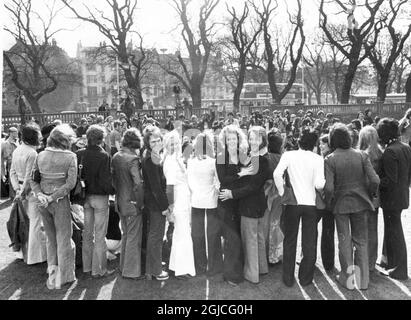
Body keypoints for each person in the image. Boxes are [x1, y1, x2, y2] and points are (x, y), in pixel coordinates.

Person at [324, 123, 380, 290]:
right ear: (349, 138)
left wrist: (329, 202)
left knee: (344, 241)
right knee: (361, 241)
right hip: (361, 203)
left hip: (340, 205)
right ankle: (363, 282)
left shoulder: (330, 159)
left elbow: (329, 187)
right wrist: (370, 194)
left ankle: (348, 280)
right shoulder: (362, 155)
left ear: (332, 139)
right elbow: (375, 180)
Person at [274, 128, 325, 287]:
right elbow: (319, 184)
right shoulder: (318, 158)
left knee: (290, 240)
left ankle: (288, 278)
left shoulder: (289, 155)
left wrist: (283, 191)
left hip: (292, 203)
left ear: (299, 140)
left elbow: (277, 174)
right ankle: (305, 278)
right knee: (309, 242)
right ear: (314, 143)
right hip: (310, 204)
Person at [219, 126, 270, 284]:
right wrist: (240, 174)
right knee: (255, 238)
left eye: (257, 138)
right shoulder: (247, 156)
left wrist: (232, 193)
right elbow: (226, 179)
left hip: (249, 203)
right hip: (245, 203)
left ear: (263, 140)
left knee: (252, 239)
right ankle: (260, 270)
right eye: (252, 138)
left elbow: (252, 186)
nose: (254, 141)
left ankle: (252, 274)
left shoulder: (257, 159)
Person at [30, 124, 78, 290]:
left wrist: (41, 195)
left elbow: (32, 180)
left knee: (51, 239)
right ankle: (65, 277)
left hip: (43, 202)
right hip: (59, 201)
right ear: (66, 140)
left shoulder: (40, 154)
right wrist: (51, 197)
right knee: (64, 238)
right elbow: (70, 184)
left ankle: (52, 273)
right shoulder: (71, 156)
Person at [76, 125, 115, 278]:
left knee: (87, 233)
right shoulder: (104, 155)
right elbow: (106, 180)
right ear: (101, 139)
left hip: (84, 196)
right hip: (100, 197)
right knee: (99, 234)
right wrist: (113, 190)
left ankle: (87, 267)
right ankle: (99, 270)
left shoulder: (79, 154)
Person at [376, 118, 411, 280]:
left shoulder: (390, 151)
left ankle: (401, 269)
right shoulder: (405, 147)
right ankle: (390, 263)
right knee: (393, 231)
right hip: (402, 196)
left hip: (391, 199)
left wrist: (375, 180)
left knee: (395, 232)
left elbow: (390, 180)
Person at [10, 124, 47, 265]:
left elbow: (12, 172)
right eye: (38, 134)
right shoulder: (32, 153)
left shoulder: (18, 149)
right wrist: (23, 191)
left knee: (22, 222)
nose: (40, 137)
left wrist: (17, 189)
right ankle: (34, 257)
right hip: (29, 191)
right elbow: (29, 176)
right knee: (34, 223)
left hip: (19, 188)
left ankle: (22, 253)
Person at [215, 125, 248, 285]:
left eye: (234, 138)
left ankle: (238, 270)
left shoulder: (244, 155)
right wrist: (240, 174)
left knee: (238, 236)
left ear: (238, 138)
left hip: (239, 201)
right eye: (228, 139)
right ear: (224, 140)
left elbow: (248, 178)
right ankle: (230, 275)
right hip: (225, 202)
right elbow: (223, 180)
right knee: (231, 239)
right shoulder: (221, 156)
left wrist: (239, 176)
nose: (231, 141)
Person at [112, 128, 145, 279]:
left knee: (126, 235)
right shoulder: (133, 159)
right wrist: (140, 203)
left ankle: (124, 268)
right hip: (132, 203)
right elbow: (138, 184)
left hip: (119, 202)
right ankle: (131, 272)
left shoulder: (116, 156)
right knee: (133, 237)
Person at [163, 130, 195, 279]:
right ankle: (181, 269)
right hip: (178, 201)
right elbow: (169, 188)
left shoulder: (177, 158)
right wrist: (171, 206)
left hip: (184, 198)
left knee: (181, 234)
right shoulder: (170, 161)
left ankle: (176, 266)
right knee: (182, 234)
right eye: (171, 143)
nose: (174, 145)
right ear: (166, 145)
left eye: (176, 143)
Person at [141, 125, 170, 281]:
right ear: (148, 143)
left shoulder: (152, 155)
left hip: (153, 202)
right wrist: (164, 207)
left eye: (159, 140)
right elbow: (156, 187)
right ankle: (156, 270)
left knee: (155, 235)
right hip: (155, 203)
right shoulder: (150, 158)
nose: (157, 143)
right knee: (156, 236)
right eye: (153, 141)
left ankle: (153, 266)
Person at [358, 125, 383, 273]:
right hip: (375, 198)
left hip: (363, 196)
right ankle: (371, 263)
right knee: (373, 230)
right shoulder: (380, 153)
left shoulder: (360, 154)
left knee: (361, 231)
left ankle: (362, 263)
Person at [264, 129, 284, 264]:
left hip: (266, 192)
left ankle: (264, 253)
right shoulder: (282, 158)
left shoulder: (265, 157)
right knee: (276, 223)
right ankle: (275, 255)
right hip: (279, 194)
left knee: (265, 223)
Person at [317, 134, 335, 271]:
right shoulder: (324, 158)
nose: (320, 146)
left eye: (323, 144)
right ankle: (328, 263)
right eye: (320, 144)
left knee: (320, 229)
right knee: (328, 230)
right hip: (329, 201)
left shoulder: (327, 159)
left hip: (324, 200)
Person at [1, 126, 19, 198]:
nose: (17, 133)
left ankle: (15, 194)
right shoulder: (6, 143)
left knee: (16, 179)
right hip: (11, 163)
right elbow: (5, 156)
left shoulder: (16, 141)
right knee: (12, 179)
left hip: (17, 162)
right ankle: (12, 195)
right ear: (11, 133)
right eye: (15, 132)